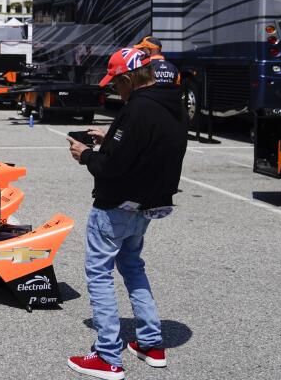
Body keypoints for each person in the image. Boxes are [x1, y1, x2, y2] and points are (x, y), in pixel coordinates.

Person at [65, 47, 187, 380]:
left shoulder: (138, 108)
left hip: (116, 205)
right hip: (150, 203)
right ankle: (151, 341)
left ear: (130, 78)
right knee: (132, 266)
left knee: (99, 272)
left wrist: (86, 154)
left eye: (116, 82)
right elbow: (145, 145)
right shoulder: (171, 103)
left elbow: (109, 167)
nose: (113, 88)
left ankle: (107, 356)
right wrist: (111, 139)